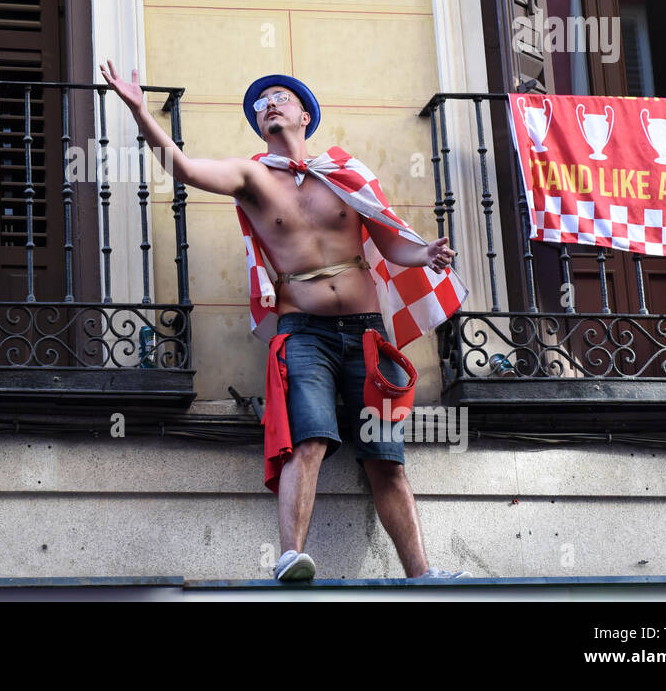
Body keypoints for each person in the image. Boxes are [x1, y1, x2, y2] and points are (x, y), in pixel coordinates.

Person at [99, 62, 469, 581]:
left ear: (303, 114)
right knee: (308, 439)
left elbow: (390, 240)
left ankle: (422, 575)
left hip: (367, 334)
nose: (269, 104)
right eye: (260, 103)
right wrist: (139, 109)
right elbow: (182, 168)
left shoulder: (346, 174)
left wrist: (423, 251)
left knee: (386, 458)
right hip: (304, 333)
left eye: (279, 97)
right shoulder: (252, 177)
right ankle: (290, 556)